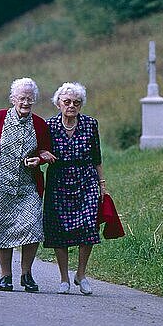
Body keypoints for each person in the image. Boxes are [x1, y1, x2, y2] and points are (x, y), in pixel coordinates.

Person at [0, 78, 55, 292]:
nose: (26, 102)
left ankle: (26, 274)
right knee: (2, 230)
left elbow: (46, 151)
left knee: (33, 228)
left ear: (34, 100)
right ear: (13, 99)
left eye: (30, 99)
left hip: (28, 187)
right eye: (21, 98)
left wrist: (40, 159)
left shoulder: (39, 124)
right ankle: (5, 276)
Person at [43, 82, 107, 295]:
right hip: (59, 181)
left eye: (76, 103)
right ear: (58, 103)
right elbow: (39, 152)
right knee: (59, 230)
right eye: (67, 102)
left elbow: (97, 157)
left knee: (89, 225)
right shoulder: (48, 125)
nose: (72, 106)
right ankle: (63, 278)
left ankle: (81, 274)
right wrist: (42, 155)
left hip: (85, 179)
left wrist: (102, 184)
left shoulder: (90, 124)